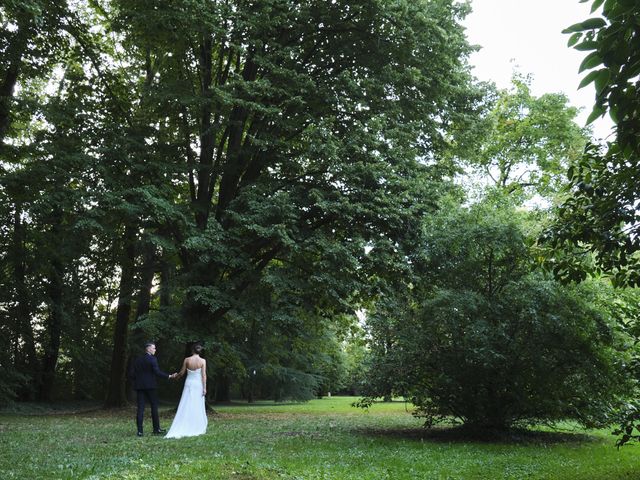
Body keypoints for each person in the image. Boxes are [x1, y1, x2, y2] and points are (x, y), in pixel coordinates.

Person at [129, 342, 176, 437]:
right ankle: (156, 429)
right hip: (151, 386)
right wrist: (169, 376)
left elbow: (132, 374)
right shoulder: (152, 359)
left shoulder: (137, 360)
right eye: (154, 348)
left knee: (140, 408)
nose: (155, 350)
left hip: (140, 387)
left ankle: (140, 431)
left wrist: (138, 381)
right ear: (148, 349)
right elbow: (157, 372)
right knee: (154, 407)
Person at [165, 343, 208, 439]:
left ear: (192, 350)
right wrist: (204, 388)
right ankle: (196, 424)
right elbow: (203, 375)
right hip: (198, 384)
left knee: (186, 402)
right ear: (199, 351)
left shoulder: (187, 360)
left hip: (188, 383)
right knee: (196, 404)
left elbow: (182, 372)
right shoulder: (203, 361)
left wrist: (176, 377)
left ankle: (184, 422)